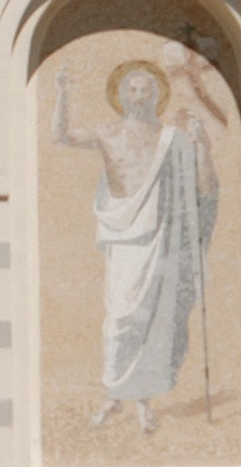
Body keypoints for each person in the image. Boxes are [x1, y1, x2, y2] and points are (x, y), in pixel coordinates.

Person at [49, 58, 216, 434]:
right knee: (121, 319)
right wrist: (62, 92)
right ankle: (114, 395)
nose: (139, 97)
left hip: (159, 236)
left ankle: (143, 402)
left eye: (145, 90)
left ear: (155, 96)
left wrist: (201, 140)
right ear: (121, 96)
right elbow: (61, 137)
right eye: (132, 90)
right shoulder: (109, 133)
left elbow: (203, 186)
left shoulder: (171, 139)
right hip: (123, 234)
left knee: (153, 321)